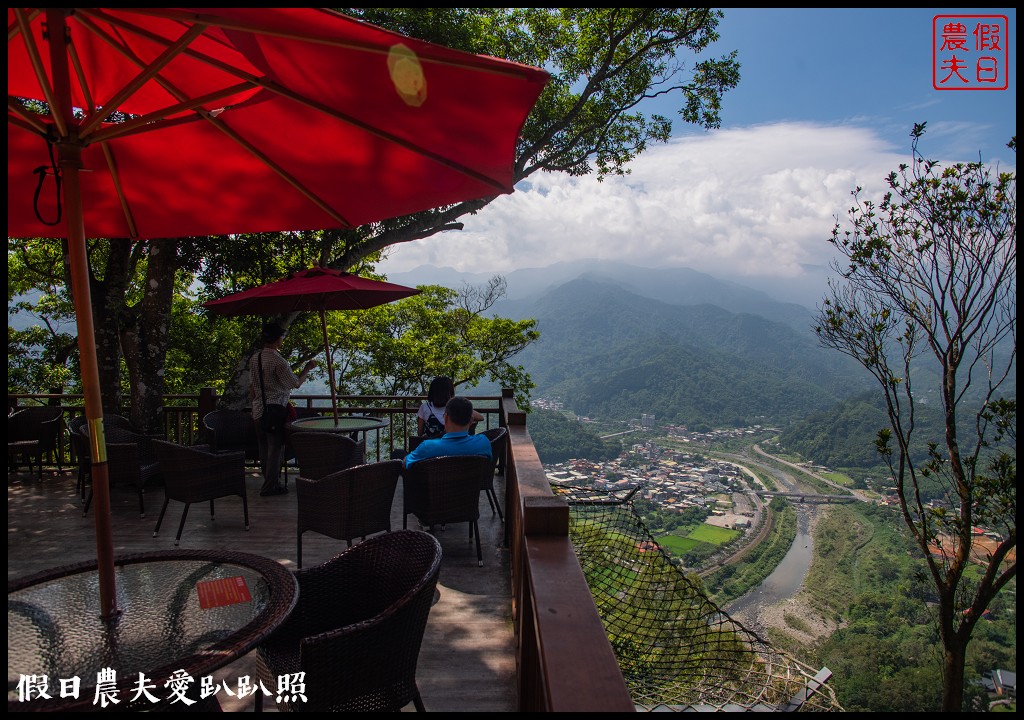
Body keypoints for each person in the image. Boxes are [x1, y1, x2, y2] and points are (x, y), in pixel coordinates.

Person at [249, 323, 316, 496]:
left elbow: (252, 388)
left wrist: (253, 407)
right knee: (275, 449)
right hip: (275, 411)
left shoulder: (255, 358)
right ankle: (270, 486)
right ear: (278, 339)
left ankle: (270, 482)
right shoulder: (278, 361)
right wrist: (307, 369)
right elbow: (295, 383)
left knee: (263, 448)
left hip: (257, 410)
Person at [404, 396, 491, 468]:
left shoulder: (428, 446)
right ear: (471, 420)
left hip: (435, 488)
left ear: (445, 418)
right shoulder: (484, 442)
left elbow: (405, 463)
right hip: (471, 488)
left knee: (398, 454)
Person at [416, 376, 482, 439]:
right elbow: (480, 417)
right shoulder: (455, 406)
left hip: (431, 448)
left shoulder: (425, 407)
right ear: (450, 392)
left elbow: (419, 433)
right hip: (455, 447)